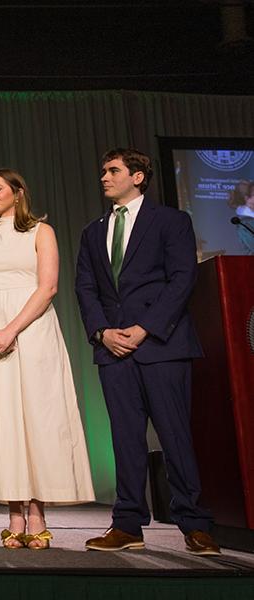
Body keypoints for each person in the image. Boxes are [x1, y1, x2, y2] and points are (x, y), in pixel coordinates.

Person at [75, 147, 220, 556]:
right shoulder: (92, 230)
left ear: (138, 176)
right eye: (102, 170)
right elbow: (85, 287)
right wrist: (102, 332)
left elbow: (182, 279)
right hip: (112, 350)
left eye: (113, 170)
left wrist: (144, 329)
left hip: (161, 346)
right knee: (124, 439)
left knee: (175, 436)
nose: (104, 176)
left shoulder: (171, 221)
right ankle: (127, 525)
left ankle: (195, 524)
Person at [0, 169, 95, 550]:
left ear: (18, 193)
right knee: (0, 419)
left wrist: (12, 329)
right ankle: (14, 512)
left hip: (32, 327)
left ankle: (37, 511)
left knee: (38, 415)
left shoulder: (42, 232)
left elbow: (48, 286)